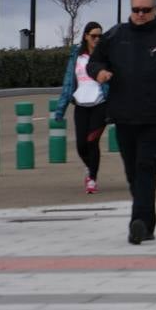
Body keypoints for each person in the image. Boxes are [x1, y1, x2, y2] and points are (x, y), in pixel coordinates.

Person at [89, 0, 156, 245]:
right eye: (136, 9)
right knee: (132, 173)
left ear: (155, 10)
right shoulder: (115, 36)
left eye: (145, 10)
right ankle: (147, 224)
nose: (140, 14)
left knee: (146, 169)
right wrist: (100, 72)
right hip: (124, 117)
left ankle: (138, 222)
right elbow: (94, 62)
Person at [54, 22, 107, 194]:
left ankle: (92, 179)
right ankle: (89, 167)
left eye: (100, 36)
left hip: (100, 104)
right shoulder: (77, 56)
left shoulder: (106, 56)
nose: (97, 39)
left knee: (92, 141)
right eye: (93, 36)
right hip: (81, 105)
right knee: (81, 145)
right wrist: (60, 108)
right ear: (86, 36)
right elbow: (68, 82)